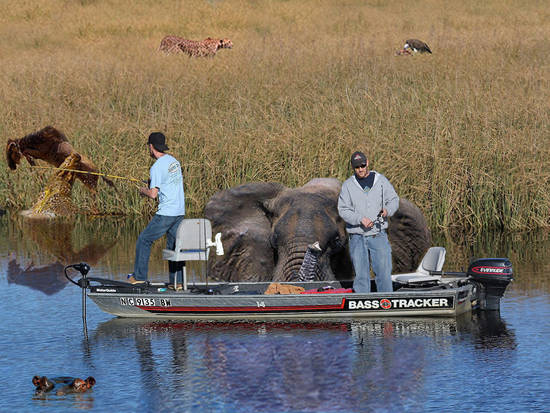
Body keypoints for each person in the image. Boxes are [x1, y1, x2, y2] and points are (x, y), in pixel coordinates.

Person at [127, 132, 185, 287]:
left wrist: (142, 190)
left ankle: (139, 277)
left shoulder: (156, 167)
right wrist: (152, 183)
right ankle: (177, 282)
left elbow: (153, 194)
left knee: (144, 240)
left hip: (166, 213)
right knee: (174, 246)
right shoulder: (174, 162)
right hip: (179, 212)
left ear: (151, 147)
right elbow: (168, 183)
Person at [337, 151, 399, 293]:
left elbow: (394, 200)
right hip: (357, 237)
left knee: (383, 273)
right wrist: (360, 219)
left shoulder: (381, 181)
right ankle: (362, 309)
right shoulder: (347, 185)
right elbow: (343, 210)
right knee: (361, 276)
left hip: (378, 235)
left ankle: (386, 303)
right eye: (357, 167)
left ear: (368, 163)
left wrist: (387, 210)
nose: (360, 169)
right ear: (353, 168)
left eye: (363, 165)